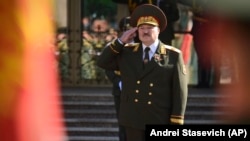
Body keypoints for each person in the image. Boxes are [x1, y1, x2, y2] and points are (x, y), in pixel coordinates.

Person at [97, 4, 188, 141]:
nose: (145, 32)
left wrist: (176, 120)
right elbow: (102, 62)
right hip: (133, 120)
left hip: (159, 118)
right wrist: (121, 41)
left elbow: (179, 91)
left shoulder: (173, 55)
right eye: (141, 28)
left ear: (158, 30)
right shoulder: (127, 52)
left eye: (150, 28)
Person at [104, 16, 132, 141]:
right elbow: (108, 67)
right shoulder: (115, 46)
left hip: (139, 90)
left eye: (132, 29)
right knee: (123, 124)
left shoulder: (142, 46)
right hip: (120, 91)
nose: (129, 32)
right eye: (126, 29)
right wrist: (118, 82)